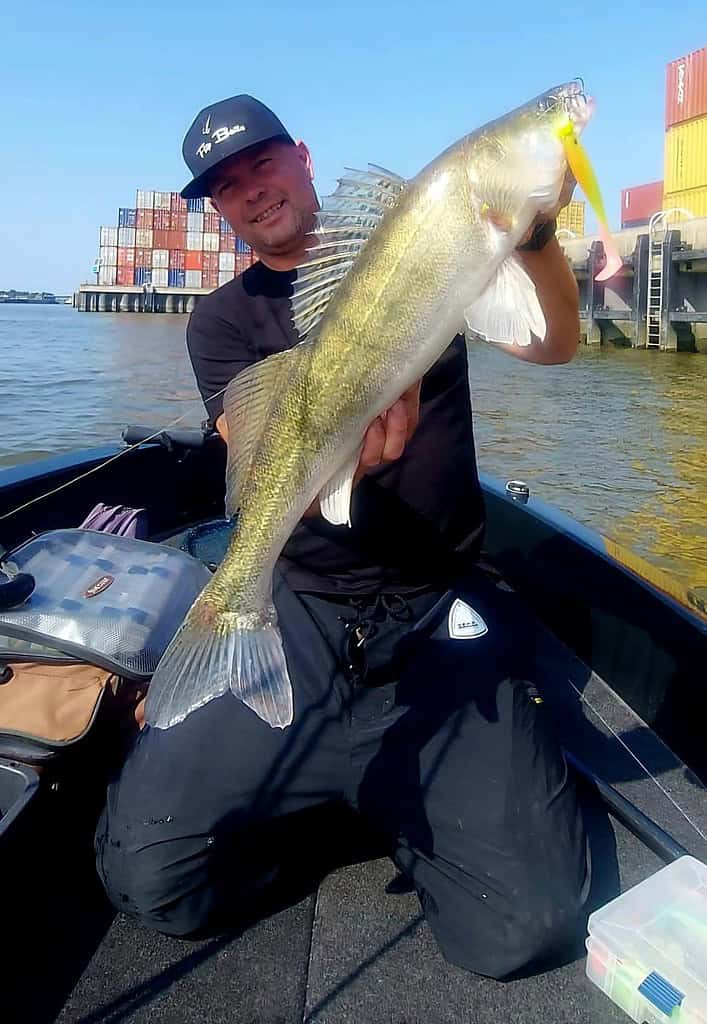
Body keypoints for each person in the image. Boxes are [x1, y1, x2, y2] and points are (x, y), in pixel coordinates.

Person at [95, 94, 591, 981]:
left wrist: (536, 235)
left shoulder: (428, 245)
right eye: (225, 185)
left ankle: (385, 790)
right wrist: (342, 465)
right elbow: (253, 452)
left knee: (532, 929)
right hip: (302, 605)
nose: (251, 191)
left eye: (262, 162)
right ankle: (367, 804)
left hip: (437, 604)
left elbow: (553, 345)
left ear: (303, 155)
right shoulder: (219, 323)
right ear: (215, 208)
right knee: (147, 876)